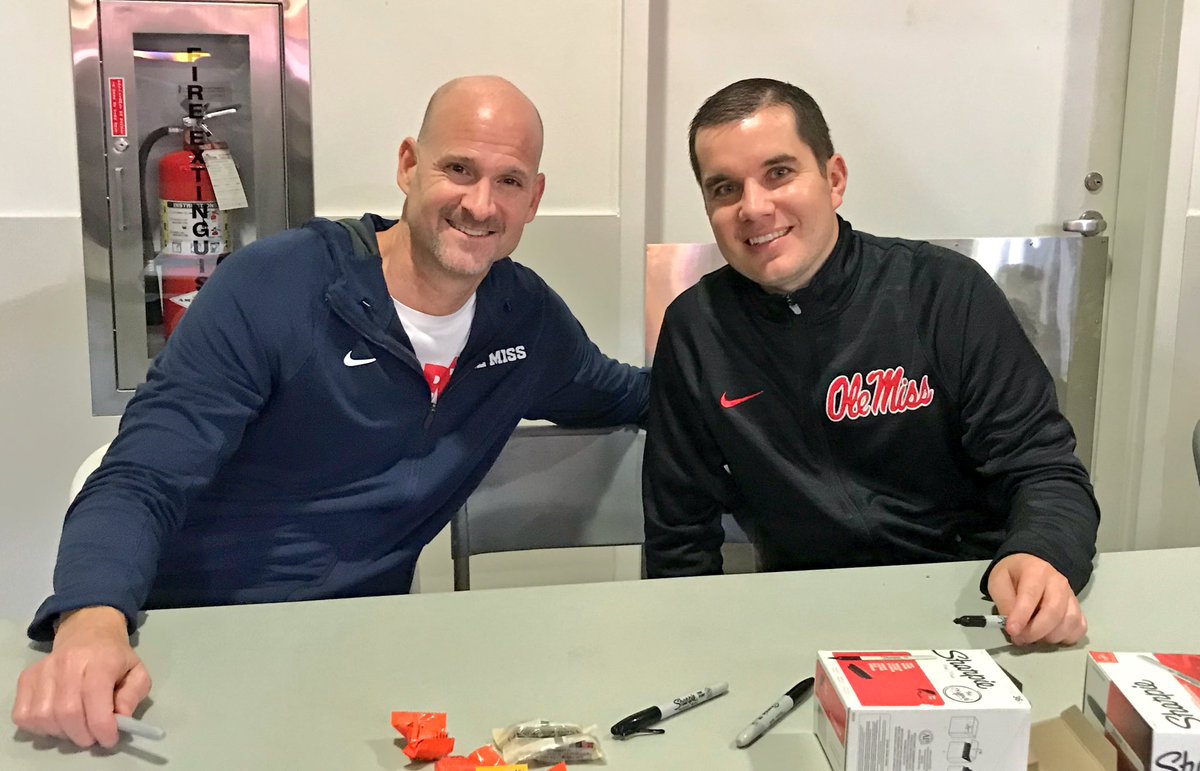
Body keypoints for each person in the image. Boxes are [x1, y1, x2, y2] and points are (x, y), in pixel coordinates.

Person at [12, 76, 648, 748]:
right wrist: (91, 618)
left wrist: (727, 352)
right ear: (409, 165)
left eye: (509, 181)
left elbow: (635, 393)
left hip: (357, 655)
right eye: (458, 169)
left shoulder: (526, 321)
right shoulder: (277, 286)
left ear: (534, 199)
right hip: (190, 638)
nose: (480, 204)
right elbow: (141, 472)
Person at [642, 77, 1099, 647]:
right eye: (725, 188)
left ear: (833, 179)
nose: (754, 208)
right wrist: (686, 644)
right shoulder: (694, 329)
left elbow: (1044, 469)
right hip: (807, 620)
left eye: (779, 172)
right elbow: (679, 532)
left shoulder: (944, 292)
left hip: (975, 604)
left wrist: (1041, 553)